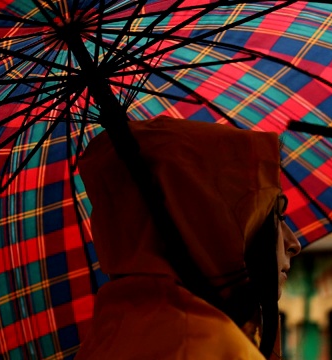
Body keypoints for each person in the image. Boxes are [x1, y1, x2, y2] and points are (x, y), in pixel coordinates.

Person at [76, 116, 301, 359]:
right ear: (212, 223)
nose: (293, 244)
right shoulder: (209, 346)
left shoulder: (110, 335)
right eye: (275, 214)